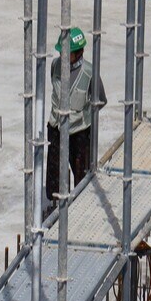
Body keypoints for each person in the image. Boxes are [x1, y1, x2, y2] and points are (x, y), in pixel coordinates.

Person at [45, 27, 106, 211]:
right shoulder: (55, 66)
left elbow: (100, 99)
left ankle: (80, 207)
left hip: (78, 133)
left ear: (78, 53)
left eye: (67, 53)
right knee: (55, 171)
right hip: (56, 127)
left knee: (81, 172)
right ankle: (56, 205)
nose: (63, 56)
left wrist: (81, 116)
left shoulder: (88, 73)